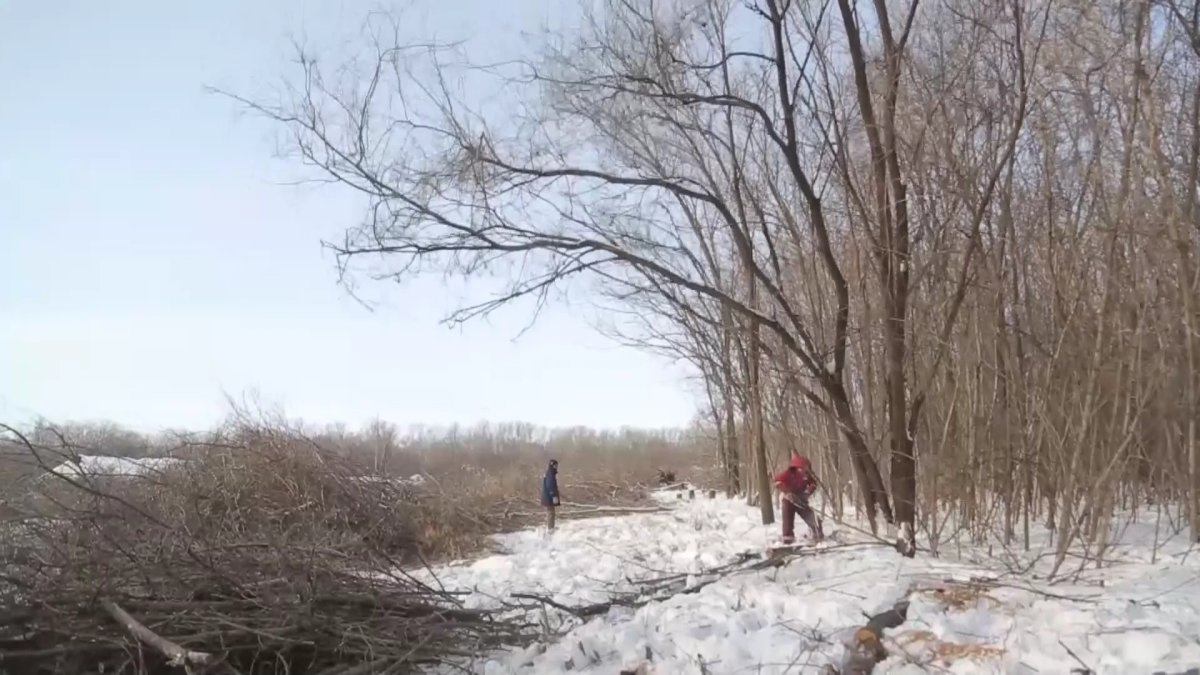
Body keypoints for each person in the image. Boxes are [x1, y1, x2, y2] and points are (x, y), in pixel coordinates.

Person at [773, 454, 824, 544]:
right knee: (788, 522)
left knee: (813, 518)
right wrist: (787, 492)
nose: (804, 469)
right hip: (788, 501)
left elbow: (813, 484)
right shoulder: (788, 474)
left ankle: (817, 534)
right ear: (796, 467)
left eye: (806, 467)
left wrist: (807, 493)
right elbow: (777, 482)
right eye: (803, 467)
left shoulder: (807, 475)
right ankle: (787, 540)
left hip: (801, 501)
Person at [541, 459, 560, 531]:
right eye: (556, 465)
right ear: (553, 465)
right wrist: (553, 495)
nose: (557, 467)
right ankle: (550, 528)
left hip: (547, 496)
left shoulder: (549, 473)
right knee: (551, 513)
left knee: (551, 512)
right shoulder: (550, 473)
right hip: (549, 497)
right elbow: (550, 485)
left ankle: (551, 527)